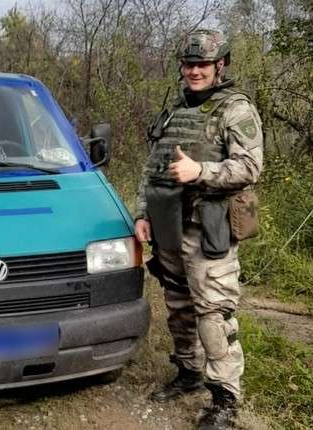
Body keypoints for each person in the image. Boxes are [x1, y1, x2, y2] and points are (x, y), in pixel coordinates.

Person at [135, 29, 263, 429]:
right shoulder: (174, 110)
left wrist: (200, 171)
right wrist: (142, 214)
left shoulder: (235, 109)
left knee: (214, 314)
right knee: (178, 306)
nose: (194, 71)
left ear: (220, 65)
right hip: (169, 225)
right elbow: (152, 167)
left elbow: (250, 167)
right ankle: (188, 372)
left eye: (202, 64)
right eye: (189, 64)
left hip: (209, 229)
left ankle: (225, 400)